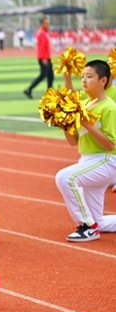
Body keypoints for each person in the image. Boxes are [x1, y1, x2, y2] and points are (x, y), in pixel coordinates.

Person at [55, 60, 116, 242]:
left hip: (106, 160)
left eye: (89, 77)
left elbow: (110, 145)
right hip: (88, 161)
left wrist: (85, 124)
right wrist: (64, 124)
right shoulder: (84, 105)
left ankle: (88, 227)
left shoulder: (109, 107)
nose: (83, 80)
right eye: (82, 76)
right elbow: (73, 142)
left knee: (65, 177)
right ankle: (95, 223)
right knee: (100, 220)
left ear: (102, 80)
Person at [24, 17, 52, 99]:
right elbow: (41, 47)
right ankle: (29, 89)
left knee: (50, 76)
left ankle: (50, 93)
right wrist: (43, 58)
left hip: (46, 57)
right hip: (44, 58)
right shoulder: (41, 33)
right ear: (42, 24)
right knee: (43, 75)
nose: (48, 24)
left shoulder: (44, 33)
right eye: (46, 22)